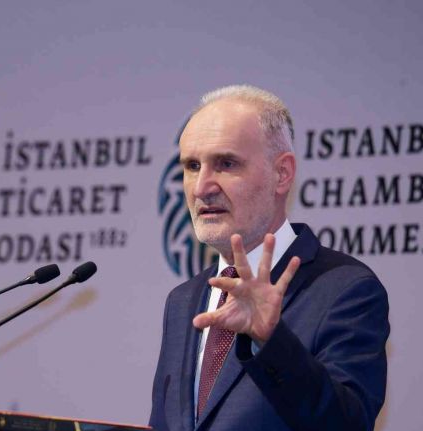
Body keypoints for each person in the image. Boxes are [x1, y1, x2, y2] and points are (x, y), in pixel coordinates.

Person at [149, 85, 389, 431]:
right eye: (192, 165)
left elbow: (347, 425)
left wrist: (272, 340)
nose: (201, 187)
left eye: (226, 163)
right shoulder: (182, 300)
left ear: (282, 174)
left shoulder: (346, 289)